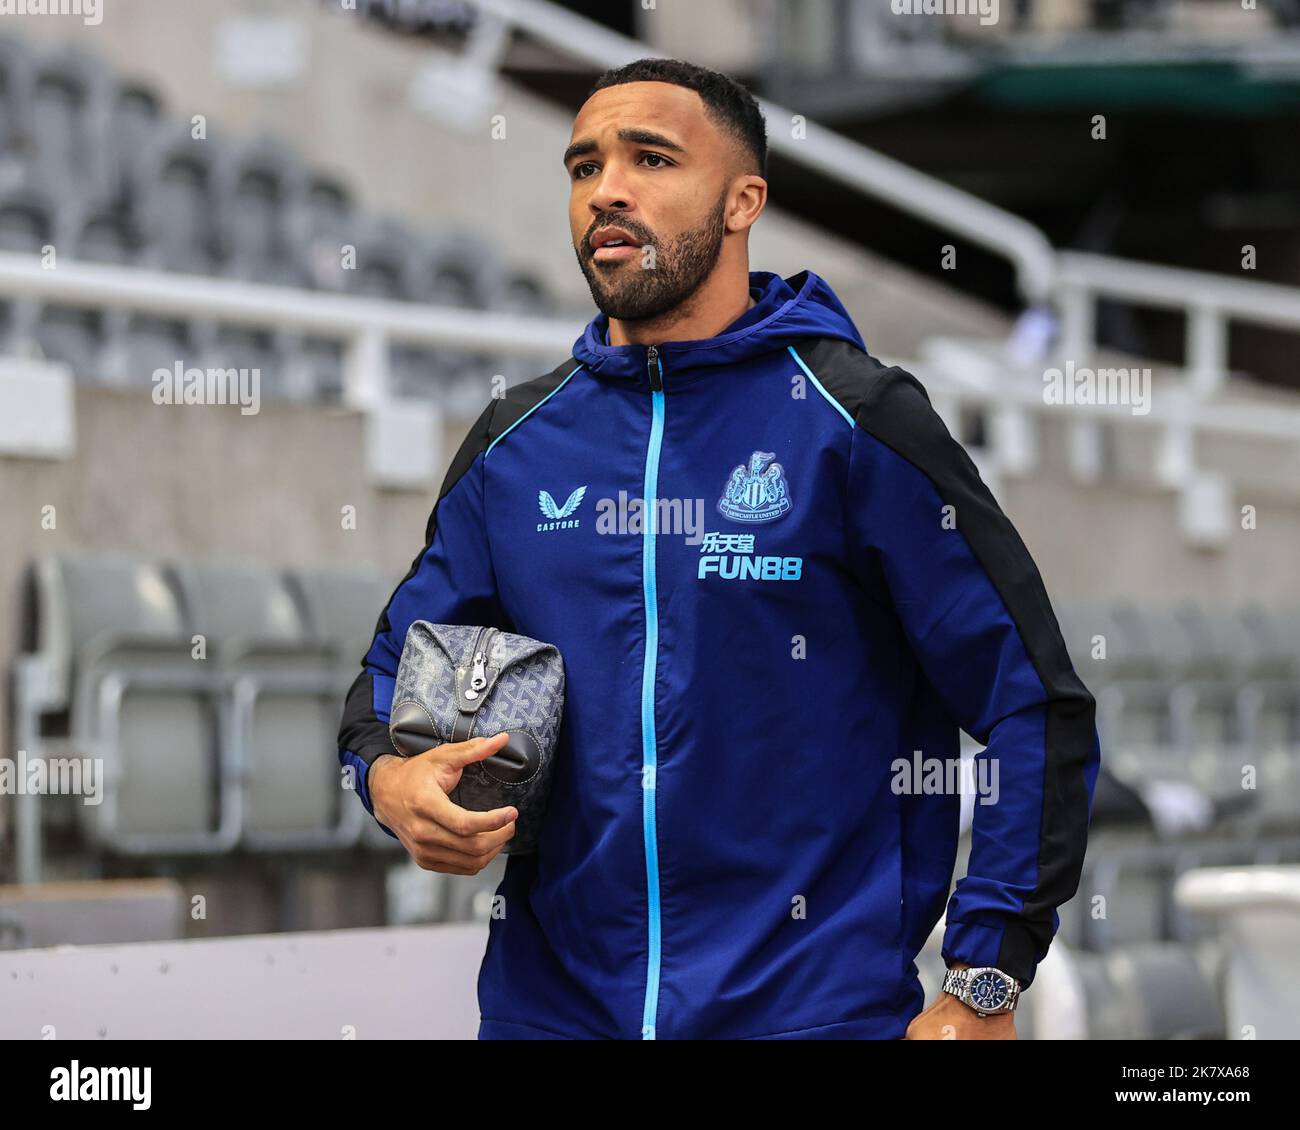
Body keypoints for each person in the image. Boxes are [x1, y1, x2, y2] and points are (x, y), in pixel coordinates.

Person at [337, 58, 1101, 1040]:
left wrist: (983, 980)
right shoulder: (515, 444)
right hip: (551, 1013)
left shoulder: (854, 420)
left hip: (810, 1014)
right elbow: (381, 686)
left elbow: (1032, 701)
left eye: (649, 158)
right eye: (582, 167)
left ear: (744, 200)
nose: (605, 189)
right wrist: (390, 781)